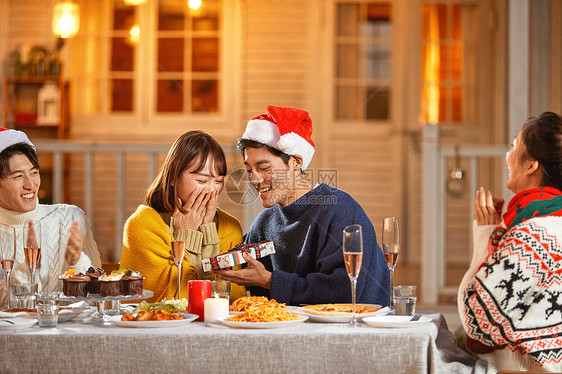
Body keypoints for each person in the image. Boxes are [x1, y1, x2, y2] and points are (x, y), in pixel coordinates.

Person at [213, 105, 390, 306]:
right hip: (292, 330)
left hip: (353, 331)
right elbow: (239, 267)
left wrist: (270, 281)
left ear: (296, 162)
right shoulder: (265, 223)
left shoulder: (340, 210)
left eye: (264, 168)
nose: (254, 179)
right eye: (249, 169)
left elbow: (344, 290)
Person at [458, 112, 562, 373]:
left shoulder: (531, 234)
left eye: (514, 146)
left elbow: (476, 321)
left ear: (530, 166)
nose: (508, 155)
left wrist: (485, 234)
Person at [120, 131, 246, 303]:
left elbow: (232, 299)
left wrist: (207, 231)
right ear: (173, 178)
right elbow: (173, 303)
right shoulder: (142, 225)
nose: (212, 190)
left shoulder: (230, 228)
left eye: (218, 181)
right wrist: (187, 236)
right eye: (202, 181)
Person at [0, 128, 101, 308]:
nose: (30, 185)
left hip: (66, 333)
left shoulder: (68, 218)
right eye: (18, 176)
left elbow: (96, 300)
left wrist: (76, 264)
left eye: (34, 172)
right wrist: (21, 275)